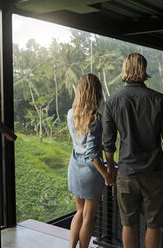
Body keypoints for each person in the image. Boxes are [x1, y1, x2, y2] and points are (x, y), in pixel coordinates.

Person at [102, 53, 163, 248]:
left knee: (128, 224)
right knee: (153, 225)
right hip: (154, 173)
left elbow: (108, 142)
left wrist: (111, 167)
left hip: (127, 173)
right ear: (144, 70)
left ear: (125, 69)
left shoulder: (113, 101)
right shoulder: (159, 99)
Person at [67, 73, 115, 248]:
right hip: (90, 172)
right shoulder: (94, 118)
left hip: (74, 168)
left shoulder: (71, 113)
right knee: (89, 215)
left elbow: (79, 144)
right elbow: (92, 154)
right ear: (96, 92)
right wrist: (106, 175)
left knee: (79, 211)